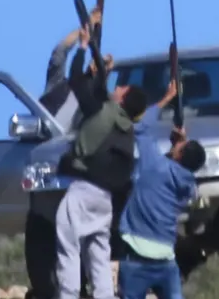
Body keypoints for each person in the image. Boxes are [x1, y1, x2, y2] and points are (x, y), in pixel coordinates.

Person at [55, 22, 150, 299]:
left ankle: (69, 295)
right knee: (98, 254)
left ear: (123, 99)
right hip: (105, 199)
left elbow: (75, 81)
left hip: (83, 192)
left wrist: (84, 47)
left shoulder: (103, 111)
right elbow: (95, 94)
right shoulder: (126, 126)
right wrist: (102, 73)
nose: (117, 87)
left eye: (121, 88)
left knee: (67, 244)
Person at [117, 112, 207, 299]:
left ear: (179, 153)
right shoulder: (188, 186)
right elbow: (176, 169)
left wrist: (165, 100)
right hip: (165, 258)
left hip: (136, 256)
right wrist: (180, 146)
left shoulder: (153, 164)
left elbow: (139, 128)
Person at [39, 8, 113, 133]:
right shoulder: (57, 85)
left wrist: (107, 70)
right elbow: (60, 52)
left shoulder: (93, 105)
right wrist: (85, 28)